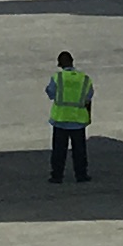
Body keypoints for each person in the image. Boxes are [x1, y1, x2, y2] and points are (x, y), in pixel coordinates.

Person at [46, 49, 94, 184]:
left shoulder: (57, 78)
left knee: (59, 151)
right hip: (78, 120)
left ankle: (57, 176)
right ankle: (81, 175)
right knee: (79, 150)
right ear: (72, 62)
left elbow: (51, 94)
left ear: (60, 64)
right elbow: (88, 97)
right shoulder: (85, 79)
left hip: (60, 119)